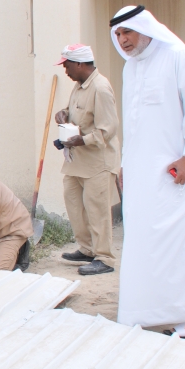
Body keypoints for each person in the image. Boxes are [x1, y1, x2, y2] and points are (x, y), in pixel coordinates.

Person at [110, 5, 185, 338]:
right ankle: (161, 311)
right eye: (118, 34)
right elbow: (133, 124)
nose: (123, 39)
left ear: (144, 28)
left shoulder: (179, 55)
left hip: (180, 171)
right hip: (143, 176)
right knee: (150, 244)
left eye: (127, 32)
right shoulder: (130, 69)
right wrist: (125, 165)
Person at [51, 44, 121, 276]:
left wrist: (81, 140)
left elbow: (107, 130)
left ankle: (105, 257)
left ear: (80, 64)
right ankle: (88, 248)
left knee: (97, 210)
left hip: (98, 162)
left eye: (67, 65)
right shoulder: (79, 87)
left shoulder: (100, 88)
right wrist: (63, 114)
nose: (65, 71)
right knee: (73, 202)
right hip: (77, 161)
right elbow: (77, 114)